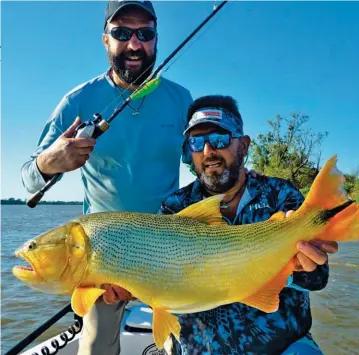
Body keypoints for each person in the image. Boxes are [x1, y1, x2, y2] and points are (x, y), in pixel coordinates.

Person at [21, 1, 193, 354]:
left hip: (170, 251)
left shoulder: (181, 100)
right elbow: (27, 180)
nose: (134, 44)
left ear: (156, 39)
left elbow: (209, 169)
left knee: (189, 344)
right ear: (105, 40)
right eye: (122, 33)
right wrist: (49, 162)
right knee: (96, 347)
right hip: (100, 257)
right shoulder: (78, 100)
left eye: (145, 34)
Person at [106, 95, 338, 354]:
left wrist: (304, 266)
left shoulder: (281, 196)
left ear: (244, 145)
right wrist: (130, 287)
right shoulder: (174, 208)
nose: (208, 151)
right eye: (196, 141)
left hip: (285, 346)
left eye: (220, 139)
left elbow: (318, 279)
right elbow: (159, 279)